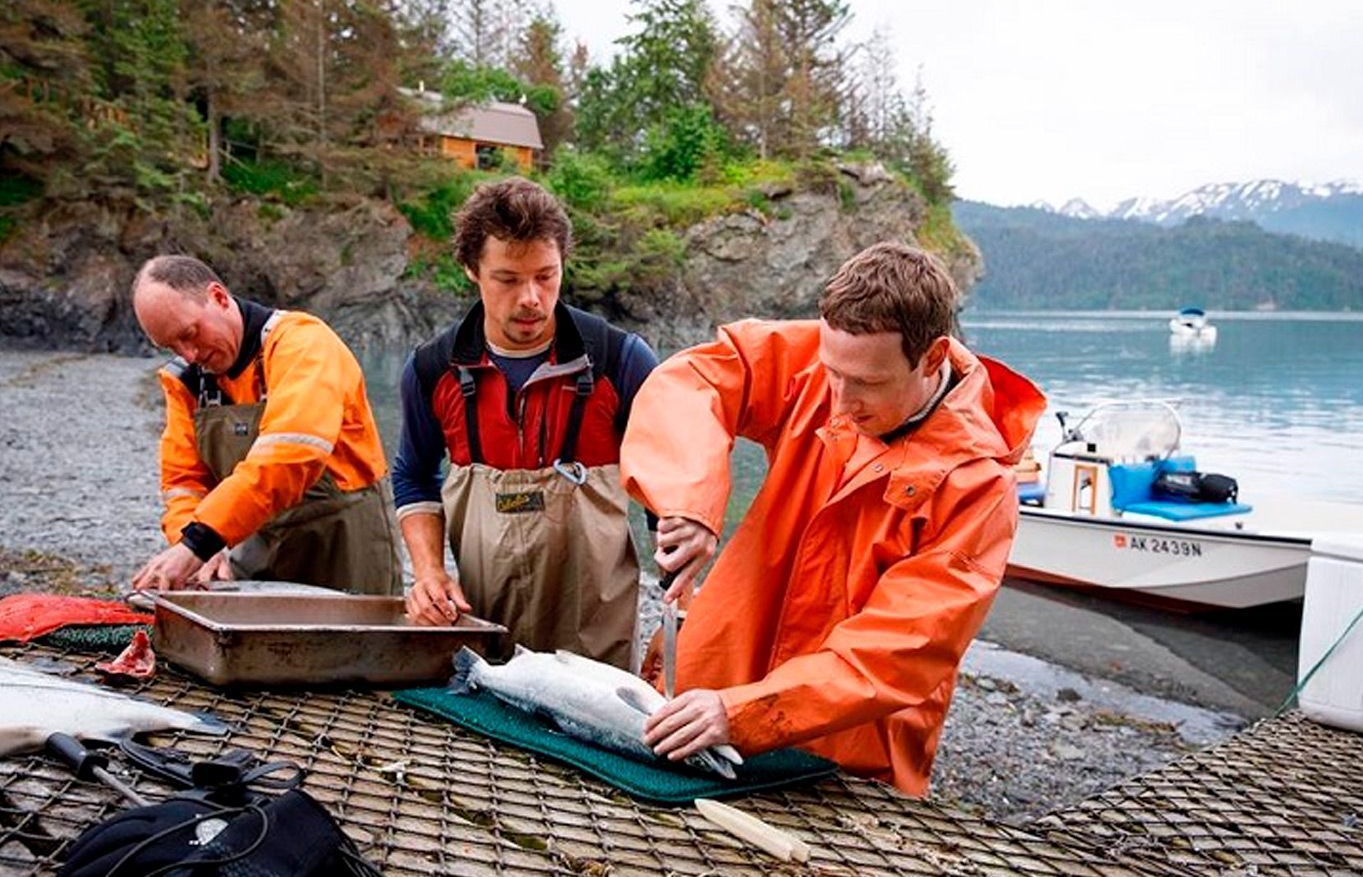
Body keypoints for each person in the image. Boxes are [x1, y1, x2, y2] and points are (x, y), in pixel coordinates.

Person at [622, 242, 1046, 796]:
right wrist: (687, 502)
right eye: (832, 374)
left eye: (867, 384)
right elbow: (690, 382)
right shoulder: (823, 362)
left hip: (847, 755)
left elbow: (898, 652)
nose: (840, 401)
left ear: (934, 357)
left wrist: (747, 711)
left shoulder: (979, 489)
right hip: (714, 698)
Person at [393, 177, 658, 669]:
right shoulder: (432, 370)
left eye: (546, 275)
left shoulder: (621, 361)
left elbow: (669, 491)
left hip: (598, 647)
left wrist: (677, 606)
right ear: (471, 270)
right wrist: (428, 573)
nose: (532, 298)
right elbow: (413, 476)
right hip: (484, 631)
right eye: (508, 279)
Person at [130, 256, 401, 594]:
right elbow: (184, 482)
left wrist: (199, 541)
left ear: (218, 297)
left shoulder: (303, 344)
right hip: (254, 537)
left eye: (190, 334)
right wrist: (194, 542)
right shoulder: (185, 381)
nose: (189, 354)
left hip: (344, 540)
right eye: (170, 346)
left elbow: (289, 457)